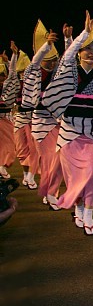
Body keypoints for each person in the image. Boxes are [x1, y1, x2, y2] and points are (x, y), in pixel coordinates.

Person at [42, 10, 93, 234]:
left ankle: (88, 214)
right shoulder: (69, 73)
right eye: (88, 48)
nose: (92, 53)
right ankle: (78, 209)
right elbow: (66, 57)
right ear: (80, 52)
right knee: (75, 178)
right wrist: (83, 35)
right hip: (69, 135)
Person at [22, 21, 65, 208]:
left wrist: (68, 39)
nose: (52, 63)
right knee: (51, 160)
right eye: (49, 59)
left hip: (58, 124)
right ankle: (51, 192)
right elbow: (34, 63)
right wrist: (46, 45)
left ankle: (50, 191)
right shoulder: (34, 73)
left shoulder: (58, 75)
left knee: (60, 160)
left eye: (55, 59)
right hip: (40, 125)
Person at [3, 45, 39, 190]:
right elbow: (10, 74)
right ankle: (26, 176)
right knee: (22, 149)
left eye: (25, 71)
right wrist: (13, 57)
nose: (23, 73)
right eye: (21, 72)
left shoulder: (36, 83)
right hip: (20, 119)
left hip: (34, 119)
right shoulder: (16, 84)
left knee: (35, 150)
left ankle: (31, 176)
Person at [0, 59, 14, 179]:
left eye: (2, 76)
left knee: (9, 146)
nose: (1, 79)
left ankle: (2, 166)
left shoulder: (7, 87)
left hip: (6, 118)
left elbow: (12, 76)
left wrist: (10, 61)